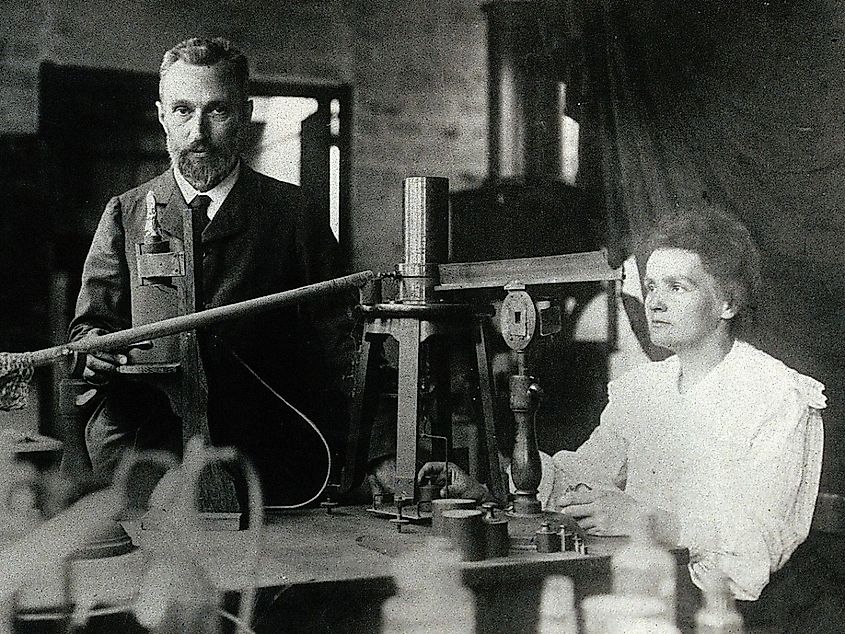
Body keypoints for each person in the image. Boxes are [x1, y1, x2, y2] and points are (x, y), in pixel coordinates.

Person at [420, 208, 825, 603]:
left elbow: (761, 543)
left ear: (728, 304)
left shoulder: (775, 395)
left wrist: (644, 521)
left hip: (723, 611)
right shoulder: (646, 388)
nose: (655, 303)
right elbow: (580, 478)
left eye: (677, 287)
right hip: (636, 586)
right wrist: (488, 488)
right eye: (651, 287)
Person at [68, 37, 355, 505]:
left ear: (245, 113)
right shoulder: (125, 214)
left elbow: (343, 349)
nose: (197, 132)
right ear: (162, 116)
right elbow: (90, 329)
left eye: (217, 111)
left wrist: (380, 453)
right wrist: (93, 351)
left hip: (268, 476)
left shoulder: (294, 216)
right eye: (183, 110)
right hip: (146, 470)